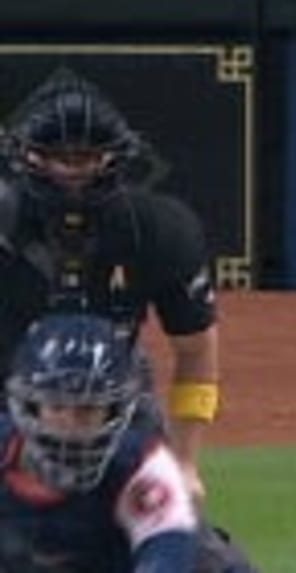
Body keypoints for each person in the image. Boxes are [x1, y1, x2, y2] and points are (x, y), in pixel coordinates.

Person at [0, 67, 218, 503]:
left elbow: (196, 349)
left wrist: (185, 462)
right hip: (4, 389)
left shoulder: (159, 230)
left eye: (86, 158)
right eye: (60, 157)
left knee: (176, 533)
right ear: (29, 158)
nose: (73, 173)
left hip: (111, 400)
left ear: (114, 158)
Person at [0, 313, 199, 572]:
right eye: (57, 406)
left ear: (115, 411)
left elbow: (167, 555)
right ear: (30, 407)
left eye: (88, 410)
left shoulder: (142, 470)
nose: (70, 426)